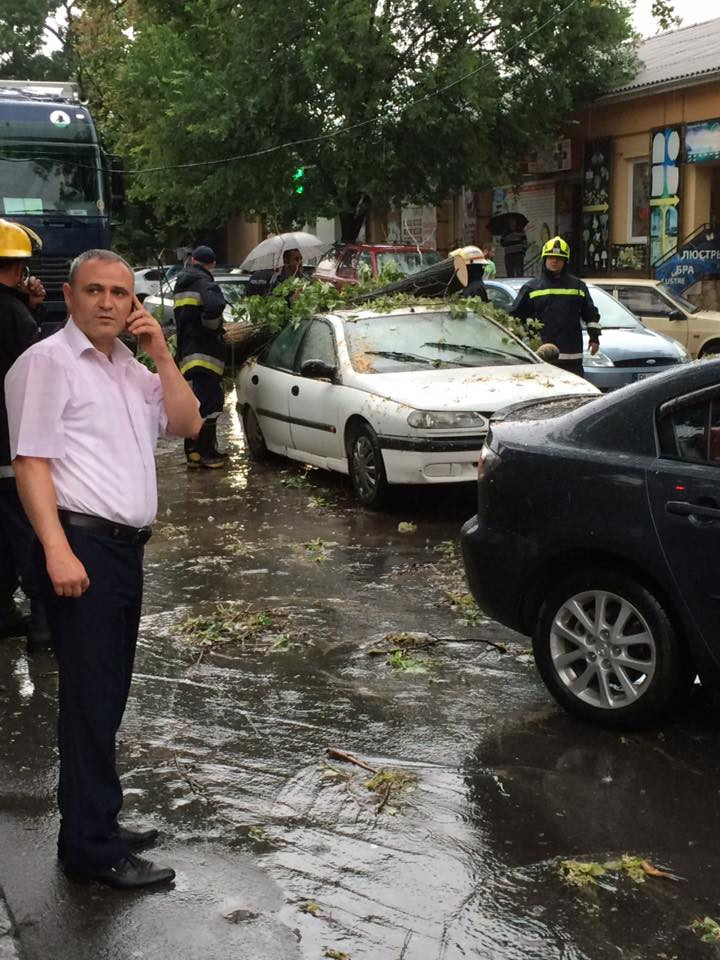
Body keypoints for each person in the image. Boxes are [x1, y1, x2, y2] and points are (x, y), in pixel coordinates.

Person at [5, 249, 202, 889]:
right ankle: (89, 848)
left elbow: (188, 423)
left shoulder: (129, 370)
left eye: (122, 293)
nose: (110, 303)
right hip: (81, 548)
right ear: (70, 296)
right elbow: (32, 463)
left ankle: (98, 819)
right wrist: (57, 549)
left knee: (109, 692)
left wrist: (162, 354)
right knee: (90, 699)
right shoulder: (48, 364)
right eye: (96, 291)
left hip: (122, 551)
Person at [0, 218, 51, 651]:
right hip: (10, 449)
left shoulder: (17, 311)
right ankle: (43, 625)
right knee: (28, 534)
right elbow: (31, 379)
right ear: (17, 270)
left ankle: (3, 614)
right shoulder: (15, 316)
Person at [508, 236, 601, 378]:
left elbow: (590, 314)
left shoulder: (577, 286)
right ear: (544, 259)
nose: (554, 261)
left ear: (565, 261)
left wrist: (594, 338)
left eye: (559, 258)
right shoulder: (531, 288)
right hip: (541, 355)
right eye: (550, 257)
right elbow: (515, 317)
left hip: (571, 356)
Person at [173, 245, 227, 468]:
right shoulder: (205, 282)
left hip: (187, 351)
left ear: (193, 260)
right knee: (211, 403)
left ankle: (193, 452)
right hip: (206, 351)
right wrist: (212, 325)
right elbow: (215, 305)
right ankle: (205, 453)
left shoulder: (181, 282)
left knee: (198, 401)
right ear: (211, 264)